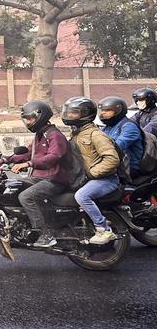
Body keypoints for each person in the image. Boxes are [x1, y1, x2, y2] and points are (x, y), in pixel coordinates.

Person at [4, 101, 72, 248]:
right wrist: (5, 159)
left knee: (26, 196)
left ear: (40, 116)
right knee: (15, 188)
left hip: (55, 179)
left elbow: (55, 156)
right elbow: (29, 153)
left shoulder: (54, 135)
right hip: (41, 177)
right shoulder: (40, 135)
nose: (28, 122)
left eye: (30, 119)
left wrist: (29, 164)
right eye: (26, 119)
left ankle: (45, 234)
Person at [62, 96, 120, 245]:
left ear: (85, 114)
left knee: (82, 196)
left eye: (74, 113)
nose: (69, 116)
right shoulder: (77, 134)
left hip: (105, 180)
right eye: (68, 112)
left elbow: (112, 159)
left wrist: (92, 173)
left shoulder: (96, 134)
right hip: (89, 179)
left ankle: (104, 229)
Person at [98, 96, 142, 180]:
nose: (103, 113)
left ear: (118, 111)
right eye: (102, 110)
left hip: (129, 168)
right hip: (115, 164)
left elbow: (116, 147)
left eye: (108, 110)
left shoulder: (129, 126)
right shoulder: (108, 127)